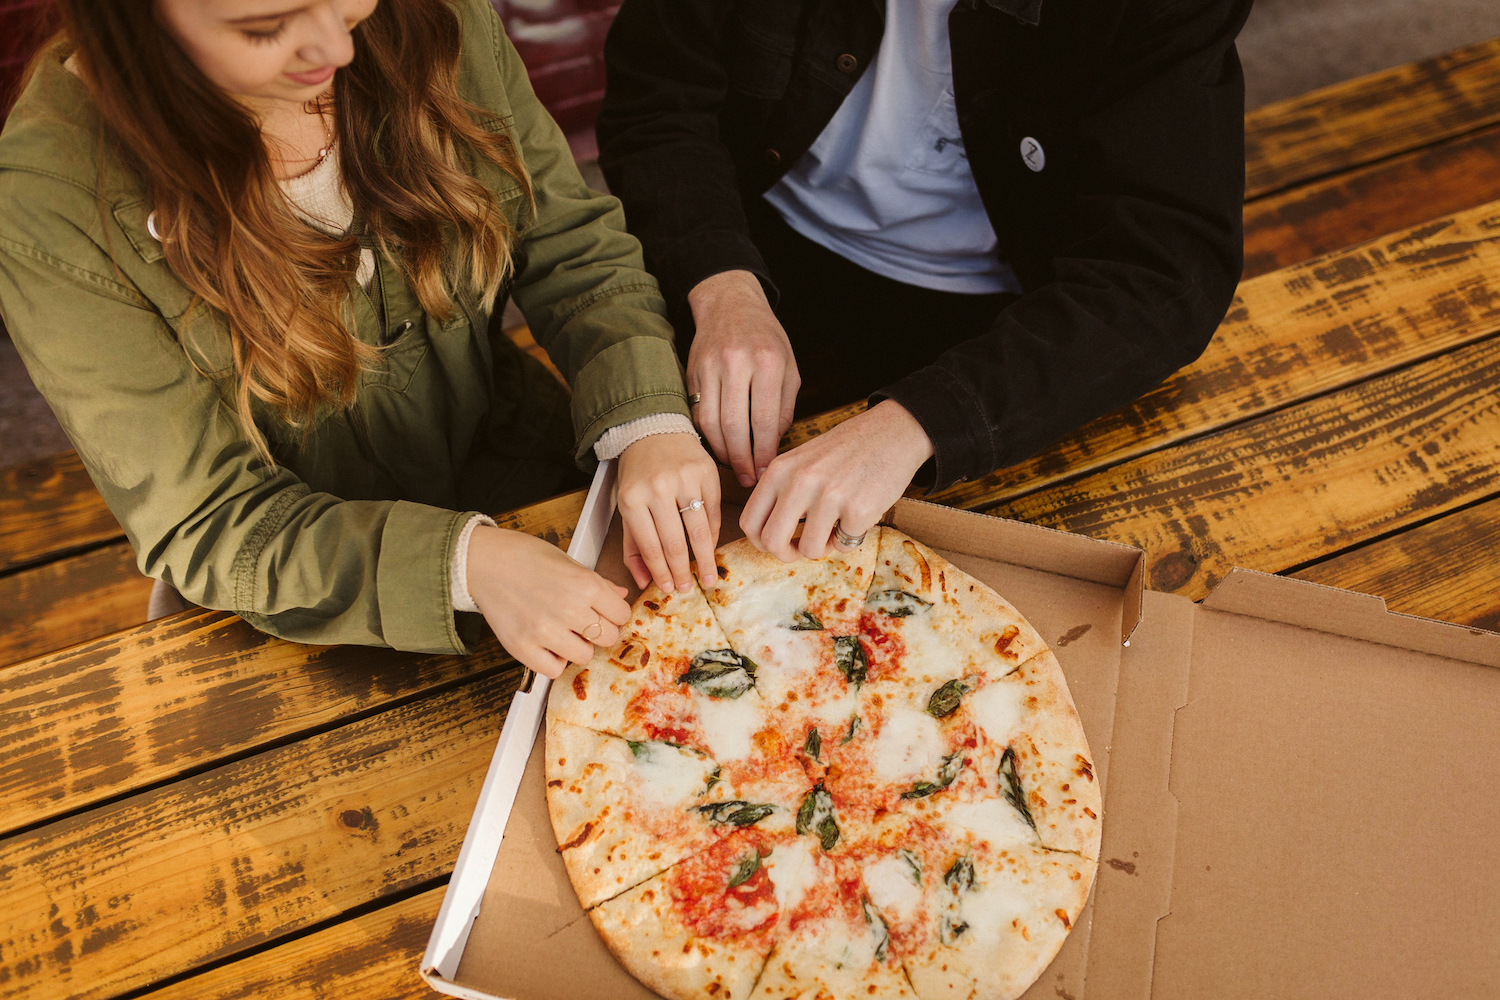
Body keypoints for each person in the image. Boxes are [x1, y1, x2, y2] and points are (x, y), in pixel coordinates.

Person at [0, 0, 724, 679]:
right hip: (292, 604)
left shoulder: (432, 17)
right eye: (266, 27)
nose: (340, 47)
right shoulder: (50, 197)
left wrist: (645, 419)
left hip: (515, 459)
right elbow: (207, 518)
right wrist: (465, 564)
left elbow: (567, 243)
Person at [596, 0, 1250, 561]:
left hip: (998, 322)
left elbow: (1166, 269)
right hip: (748, 232)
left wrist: (922, 422)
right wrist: (721, 285)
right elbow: (656, 102)